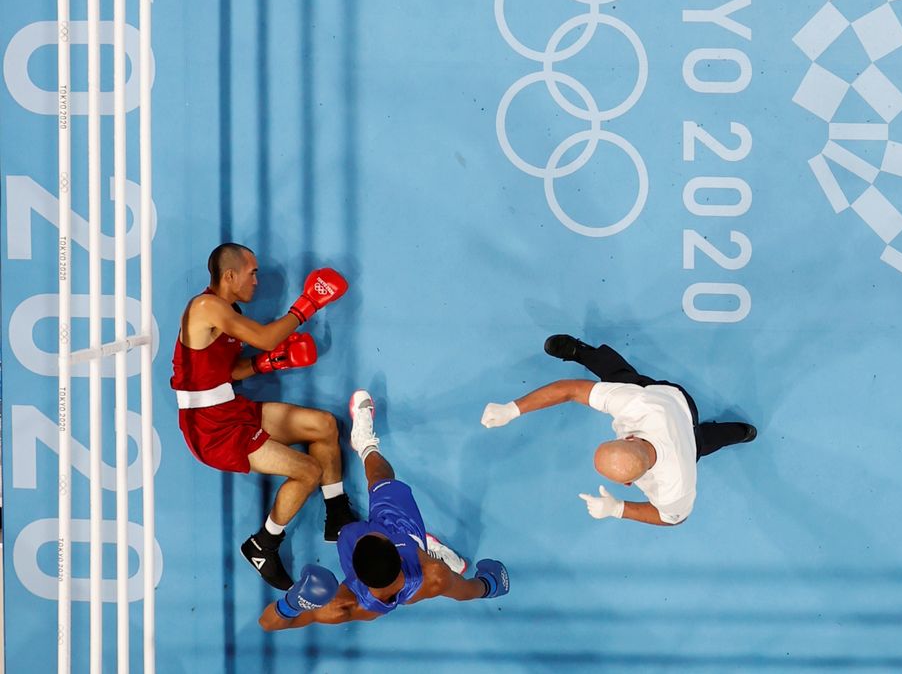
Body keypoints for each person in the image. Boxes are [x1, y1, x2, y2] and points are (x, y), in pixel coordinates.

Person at [171, 242, 355, 590]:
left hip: (229, 409)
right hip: (212, 431)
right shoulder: (207, 306)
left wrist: (264, 365)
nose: (257, 280)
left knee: (324, 425)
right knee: (308, 471)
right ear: (230, 275)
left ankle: (337, 513)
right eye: (252, 272)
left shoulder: (226, 310)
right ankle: (264, 544)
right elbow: (267, 338)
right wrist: (308, 304)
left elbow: (229, 371)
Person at [258, 390, 510, 630]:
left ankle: (363, 442)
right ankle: (367, 445)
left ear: (355, 568)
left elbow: (268, 624)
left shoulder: (346, 604)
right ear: (398, 553)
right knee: (381, 478)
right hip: (406, 537)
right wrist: (492, 584)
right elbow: (467, 591)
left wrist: (290, 605)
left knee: (350, 525)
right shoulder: (434, 575)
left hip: (370, 547)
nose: (372, 528)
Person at [481, 335, 756, 526]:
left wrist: (618, 509)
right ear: (631, 439)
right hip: (675, 407)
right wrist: (511, 409)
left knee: (622, 378)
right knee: (697, 441)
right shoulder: (639, 412)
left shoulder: (638, 404)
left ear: (628, 483)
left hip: (670, 402)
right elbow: (570, 390)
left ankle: (579, 351)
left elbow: (671, 519)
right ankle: (741, 432)